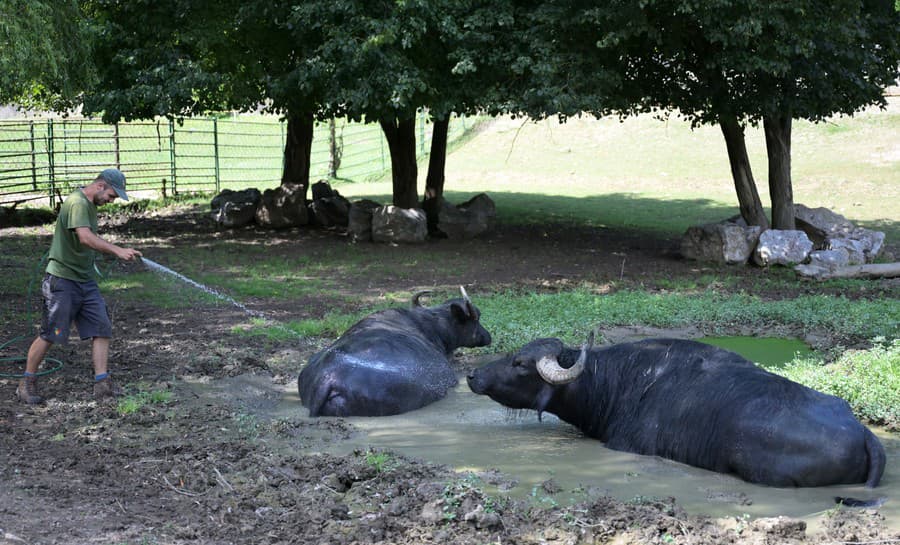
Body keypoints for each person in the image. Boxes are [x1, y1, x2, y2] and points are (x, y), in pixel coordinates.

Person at [17, 168, 142, 404]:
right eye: (112, 196)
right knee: (51, 333)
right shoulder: (78, 203)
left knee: (101, 327)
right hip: (62, 281)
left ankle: (102, 385)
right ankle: (26, 383)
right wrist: (117, 250)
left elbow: (86, 241)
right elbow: (85, 238)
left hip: (84, 281)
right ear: (100, 186)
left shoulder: (89, 205)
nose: (110, 202)